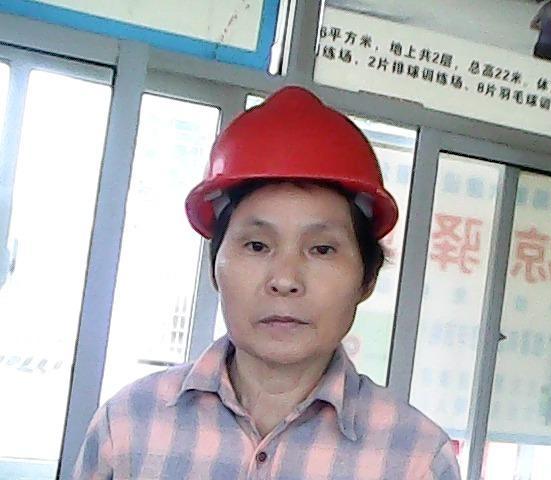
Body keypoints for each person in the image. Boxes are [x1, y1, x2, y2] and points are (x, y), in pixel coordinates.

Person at [72, 86, 461, 479]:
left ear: (367, 279)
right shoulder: (128, 426)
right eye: (257, 246)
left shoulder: (416, 458)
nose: (285, 280)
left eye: (322, 249)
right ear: (214, 268)